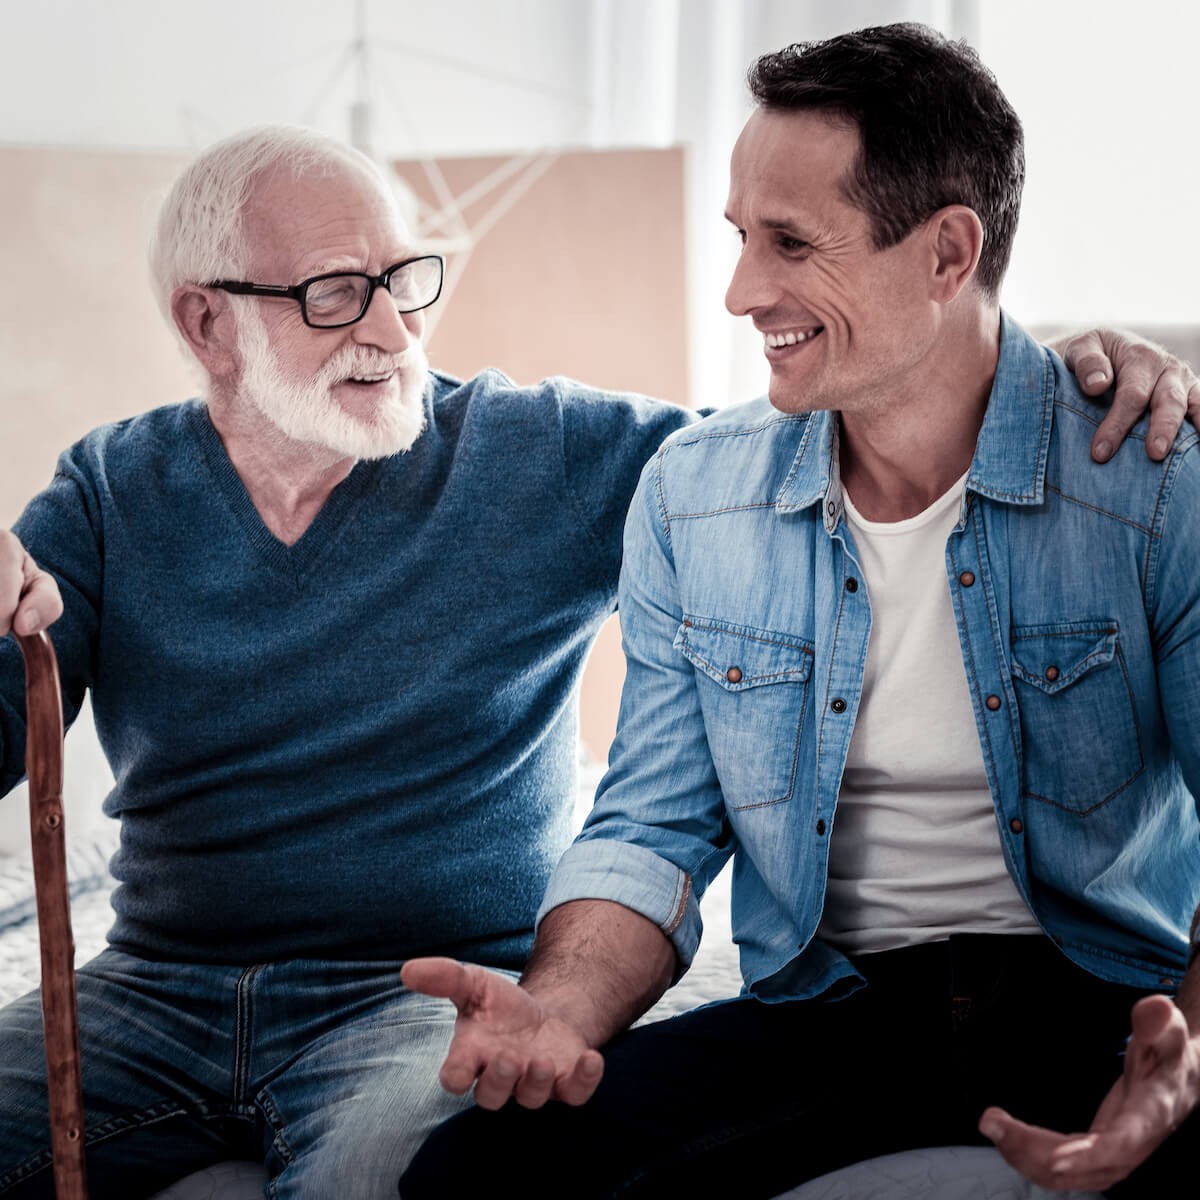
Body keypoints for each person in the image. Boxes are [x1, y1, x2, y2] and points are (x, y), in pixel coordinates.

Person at [0, 121, 1189, 1198]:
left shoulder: (541, 452)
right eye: (332, 293)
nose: (389, 330)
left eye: (405, 281)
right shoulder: (111, 489)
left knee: (408, 1177)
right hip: (153, 986)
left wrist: (1030, 373)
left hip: (417, 991)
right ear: (206, 323)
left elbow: (823, 436)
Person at [399, 24, 1200, 1200]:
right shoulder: (693, 495)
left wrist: (1184, 1061)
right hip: (835, 1006)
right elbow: (653, 825)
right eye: (739, 238)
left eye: (789, 244)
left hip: (1106, 1003)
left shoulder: (1151, 486)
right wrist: (557, 1006)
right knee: (474, 1177)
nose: (739, 292)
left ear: (945, 253)